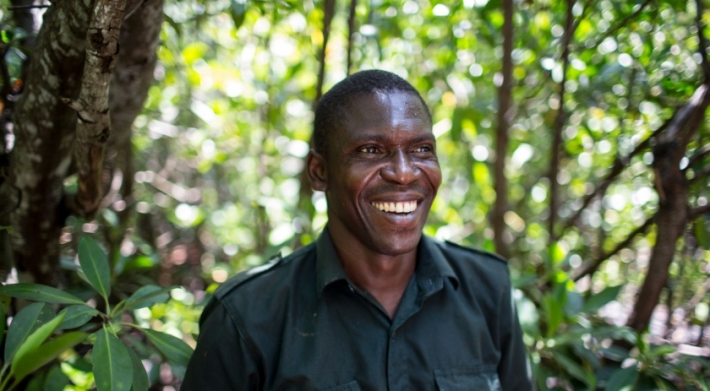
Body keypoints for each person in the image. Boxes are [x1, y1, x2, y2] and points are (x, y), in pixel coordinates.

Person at [182, 70, 533, 391]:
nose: (404, 173)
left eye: (422, 150)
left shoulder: (489, 288)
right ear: (320, 172)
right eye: (371, 150)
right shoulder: (246, 316)